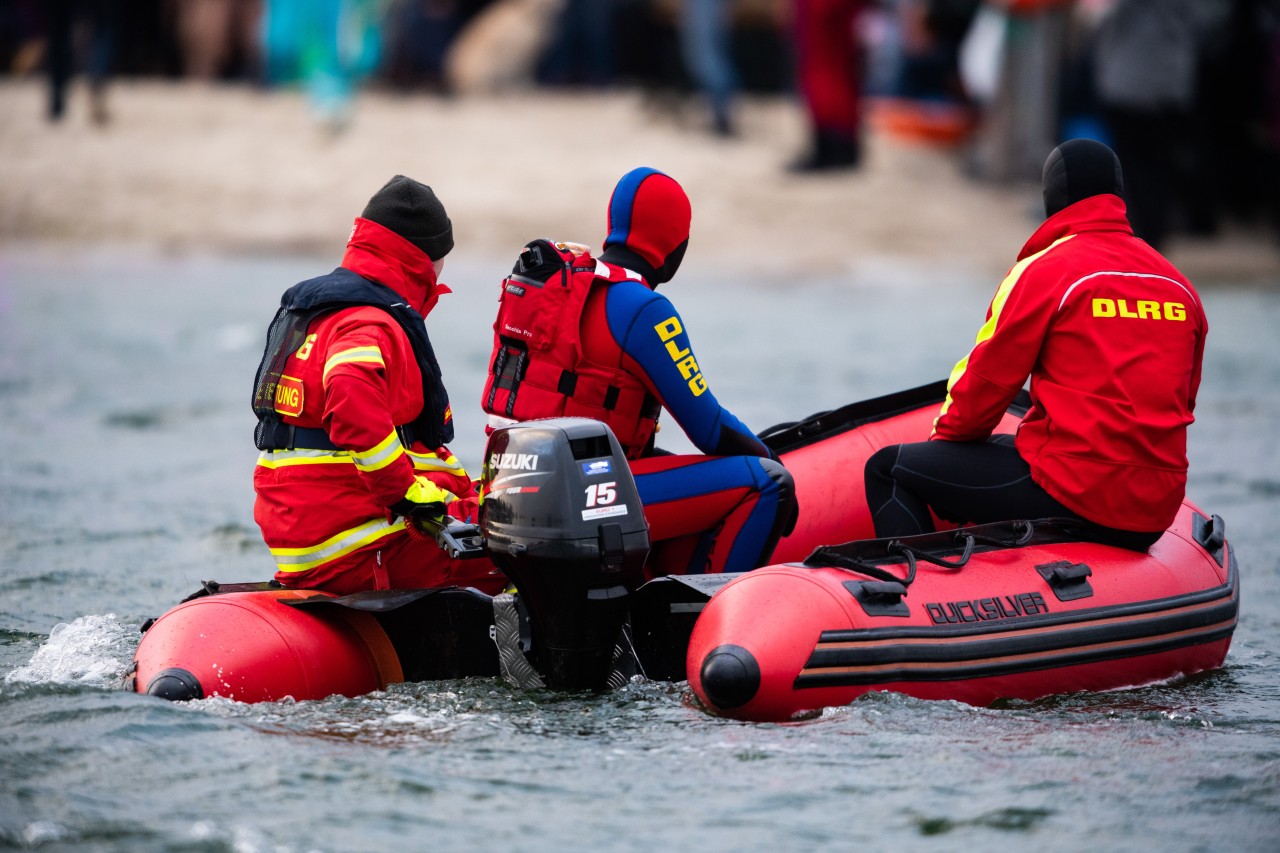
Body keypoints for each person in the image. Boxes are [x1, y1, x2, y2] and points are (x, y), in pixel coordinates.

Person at [863, 138, 1207, 551]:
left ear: (1052, 198)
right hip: (1154, 511)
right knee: (1006, 449)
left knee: (888, 469)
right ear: (1119, 195)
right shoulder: (1179, 287)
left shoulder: (1045, 272)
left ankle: (920, 599)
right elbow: (1183, 401)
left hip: (1078, 496)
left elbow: (984, 388)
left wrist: (945, 463)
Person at [482, 166, 797, 576]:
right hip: (575, 503)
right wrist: (778, 463)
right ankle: (707, 628)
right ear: (673, 244)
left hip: (508, 491)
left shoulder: (563, 287)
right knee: (767, 482)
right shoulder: (642, 308)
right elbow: (710, 428)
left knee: (662, 462)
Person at [252, 176, 505, 596]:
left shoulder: (325, 311)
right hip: (367, 541)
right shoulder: (370, 321)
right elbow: (349, 393)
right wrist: (405, 496)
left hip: (310, 534)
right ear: (425, 260)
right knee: (535, 554)